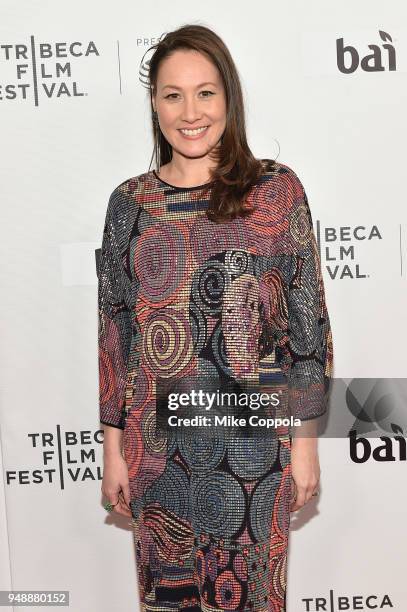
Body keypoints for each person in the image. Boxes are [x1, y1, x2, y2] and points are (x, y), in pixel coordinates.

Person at [98, 23, 333, 612]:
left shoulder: (275, 192)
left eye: (205, 92)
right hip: (157, 455)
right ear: (154, 104)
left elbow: (307, 328)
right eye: (173, 94)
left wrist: (305, 444)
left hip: (256, 450)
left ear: (229, 97)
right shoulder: (130, 203)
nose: (190, 112)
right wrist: (113, 448)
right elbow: (114, 337)